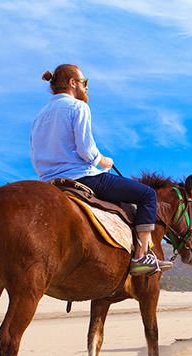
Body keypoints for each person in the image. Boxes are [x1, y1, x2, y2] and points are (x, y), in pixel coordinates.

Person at [30, 64, 172, 276]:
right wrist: (103, 160)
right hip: (83, 177)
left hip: (48, 182)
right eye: (84, 82)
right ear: (73, 83)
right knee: (147, 195)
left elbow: (35, 155)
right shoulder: (78, 107)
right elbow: (86, 150)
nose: (86, 88)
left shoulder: (40, 115)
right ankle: (141, 257)